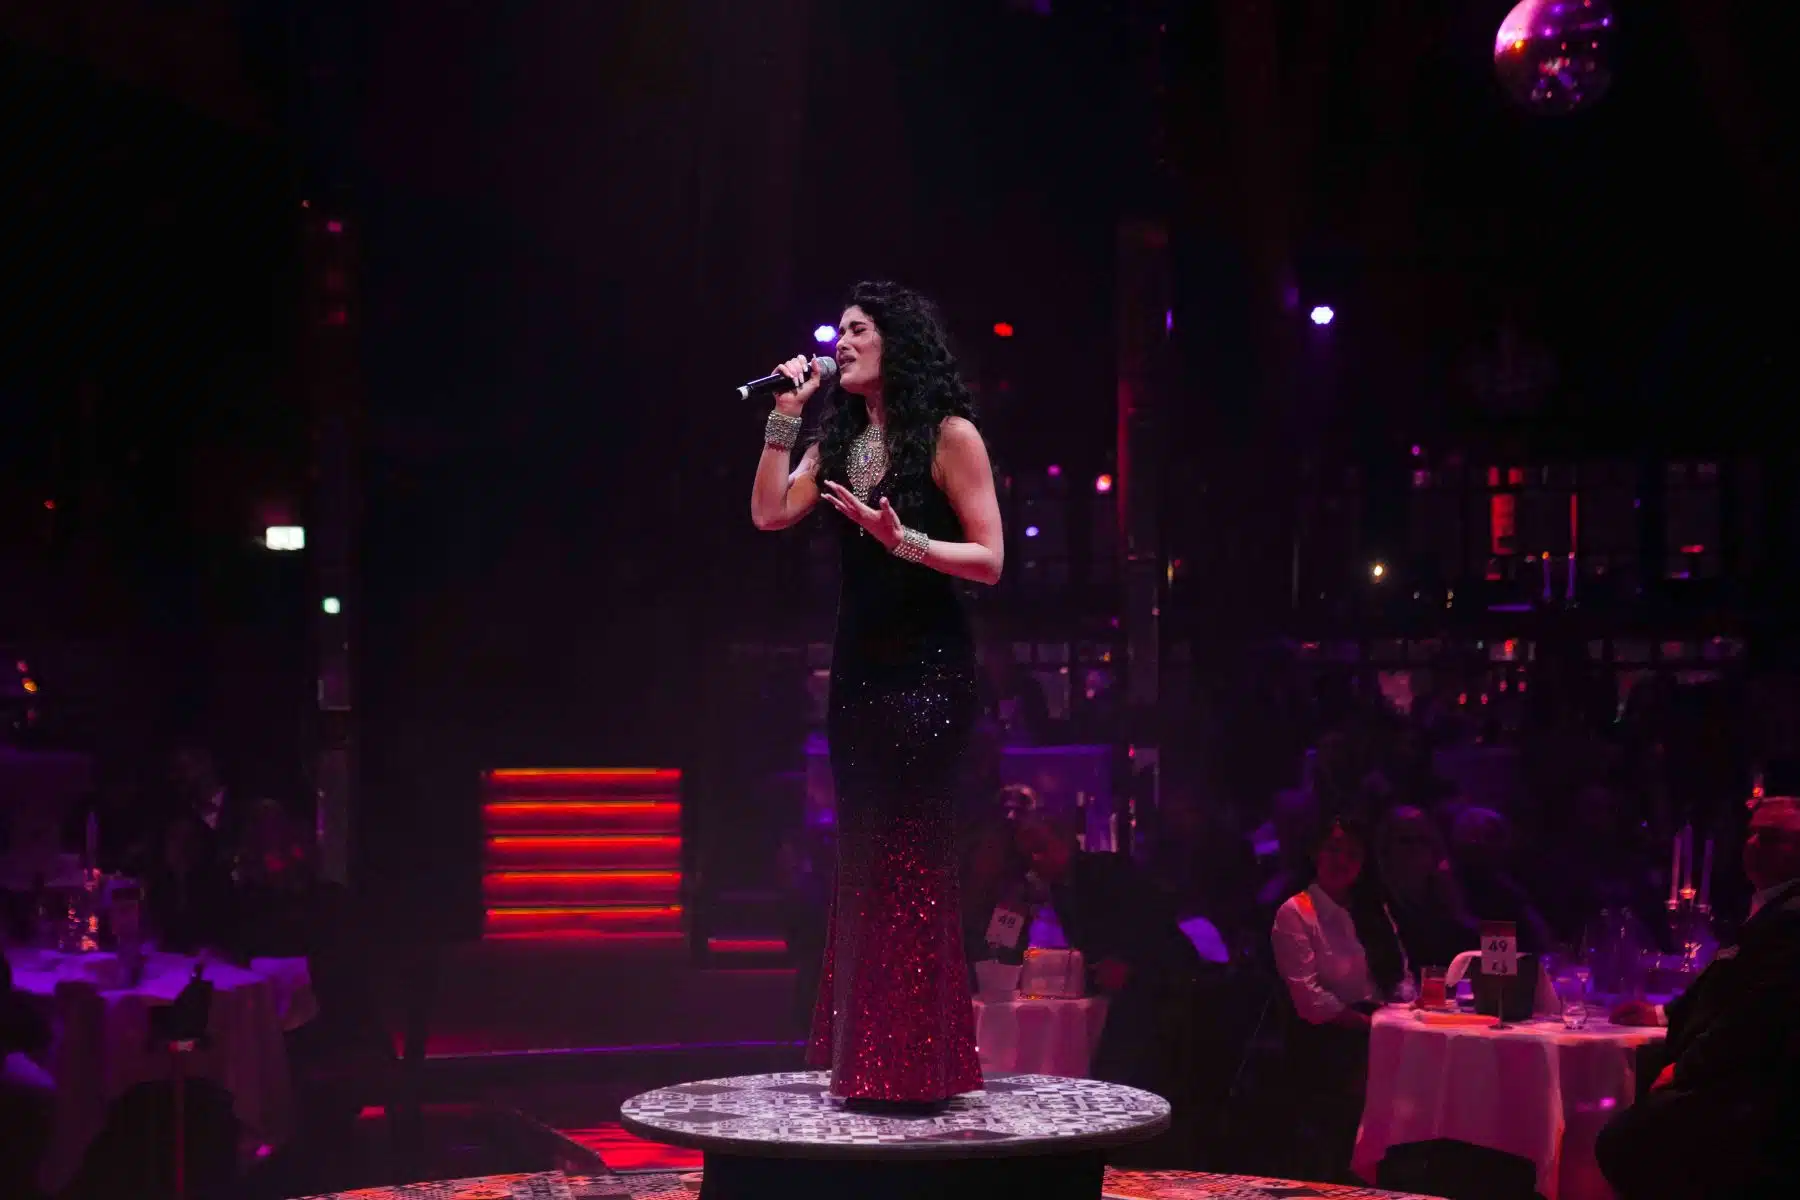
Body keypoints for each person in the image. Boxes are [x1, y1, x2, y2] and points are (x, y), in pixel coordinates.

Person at [750, 281, 1004, 1105]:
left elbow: (990, 559)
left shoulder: (950, 435)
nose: (843, 342)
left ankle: (918, 1063)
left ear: (899, 341)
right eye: (839, 331)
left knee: (912, 853)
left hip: (928, 669)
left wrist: (906, 541)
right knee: (863, 854)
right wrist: (785, 416)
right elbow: (768, 514)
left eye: (858, 330)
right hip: (858, 672)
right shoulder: (839, 439)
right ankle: (870, 1060)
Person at [1597, 786, 1800, 1197]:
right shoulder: (1770, 906)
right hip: (1731, 1075)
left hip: (1756, 1090)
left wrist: (1687, 1069)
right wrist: (1662, 1014)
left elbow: (1757, 1014)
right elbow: (1724, 983)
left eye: (1771, 837)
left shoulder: (1792, 917)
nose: (1753, 845)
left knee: (1627, 1139)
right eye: (1751, 833)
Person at [1015, 812, 1203, 1094]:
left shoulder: (1106, 870)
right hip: (1125, 987)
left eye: (1040, 849)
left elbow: (1156, 919)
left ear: (1064, 841)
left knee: (1118, 1061)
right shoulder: (1059, 888)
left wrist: (1128, 964)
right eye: (1028, 854)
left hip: (1160, 980)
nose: (1034, 861)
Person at [1270, 816, 1410, 1181]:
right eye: (1334, 849)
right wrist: (1369, 1025)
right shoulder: (1296, 912)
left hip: (1378, 1026)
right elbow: (1309, 998)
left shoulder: (1373, 910)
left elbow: (1401, 978)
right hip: (1327, 1037)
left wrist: (1403, 1013)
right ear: (1315, 853)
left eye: (1352, 854)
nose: (1342, 861)